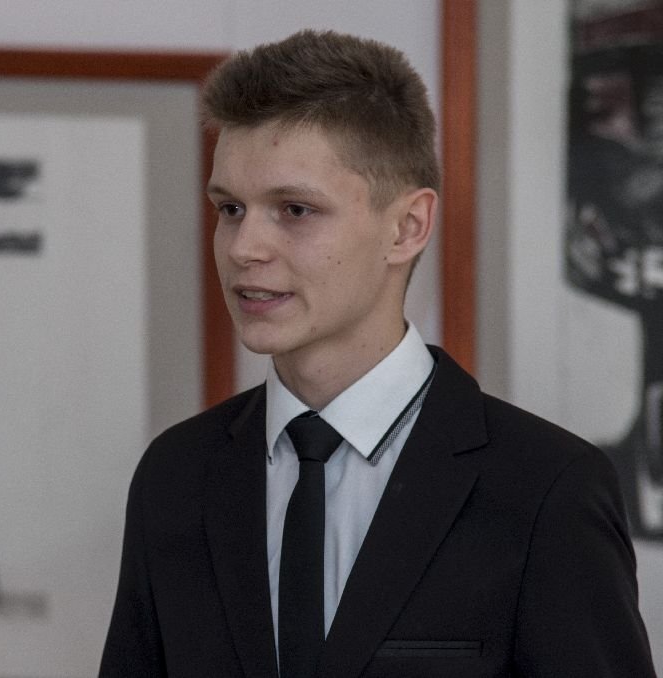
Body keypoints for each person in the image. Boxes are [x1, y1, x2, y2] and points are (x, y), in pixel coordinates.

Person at [99, 29, 656, 678]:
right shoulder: (175, 478)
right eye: (230, 208)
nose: (243, 247)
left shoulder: (546, 490)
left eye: (294, 209)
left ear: (407, 227)